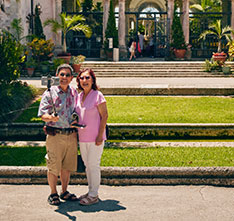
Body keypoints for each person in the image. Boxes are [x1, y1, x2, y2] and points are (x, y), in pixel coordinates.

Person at [38, 64, 79, 206]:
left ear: (71, 78)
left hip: (71, 135)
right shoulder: (50, 92)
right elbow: (42, 114)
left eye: (67, 75)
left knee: (67, 166)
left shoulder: (74, 93)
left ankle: (64, 191)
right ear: (57, 76)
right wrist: (50, 118)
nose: (64, 77)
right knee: (53, 165)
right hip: (55, 135)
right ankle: (53, 193)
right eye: (62, 74)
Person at [73, 68, 108, 206]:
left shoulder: (98, 95)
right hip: (83, 137)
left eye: (87, 78)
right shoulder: (79, 96)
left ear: (92, 80)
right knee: (88, 165)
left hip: (95, 138)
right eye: (82, 78)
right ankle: (90, 190)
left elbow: (104, 115)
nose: (84, 80)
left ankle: (94, 195)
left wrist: (100, 135)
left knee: (94, 165)